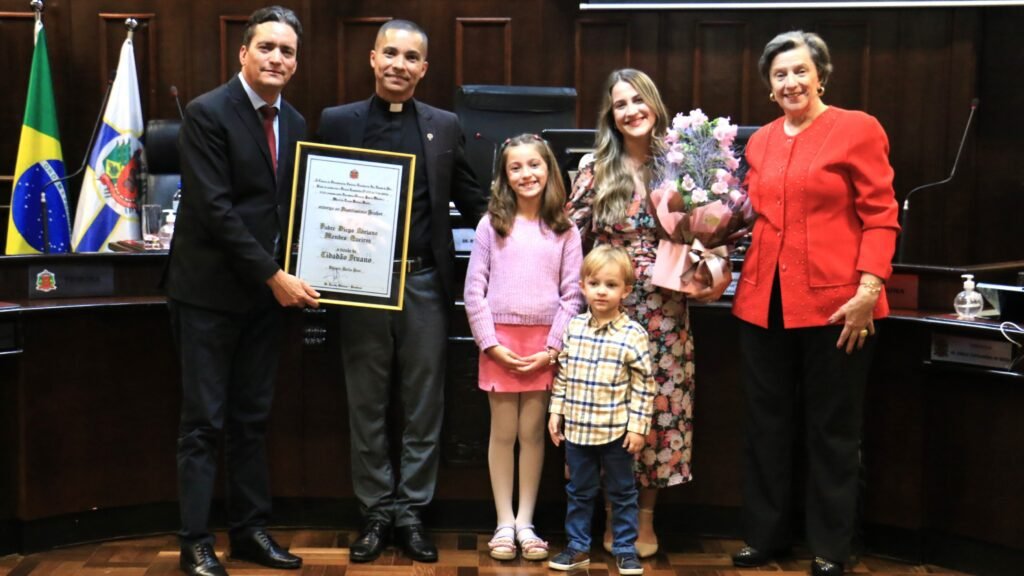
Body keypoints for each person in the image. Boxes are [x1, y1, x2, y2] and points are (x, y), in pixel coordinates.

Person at [316, 19, 487, 564]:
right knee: (366, 402)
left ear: (424, 68)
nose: (399, 64)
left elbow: (471, 198)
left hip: (422, 281)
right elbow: (313, 199)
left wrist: (526, 233)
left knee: (422, 404)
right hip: (359, 283)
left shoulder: (443, 124)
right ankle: (374, 512)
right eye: (390, 53)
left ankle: (410, 512)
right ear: (372, 58)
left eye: (411, 57)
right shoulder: (337, 121)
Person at [729, 31, 900, 576]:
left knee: (833, 430)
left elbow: (881, 214)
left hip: (839, 308)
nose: (790, 82)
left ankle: (832, 547)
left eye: (800, 71)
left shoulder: (857, 128)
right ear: (768, 87)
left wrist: (867, 292)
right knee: (766, 426)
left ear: (821, 74)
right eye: (779, 75)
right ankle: (766, 537)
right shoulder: (758, 143)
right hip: (762, 304)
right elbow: (751, 218)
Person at [164, 6, 318, 576]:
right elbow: (216, 212)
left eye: (288, 51)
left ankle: (250, 531)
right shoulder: (207, 113)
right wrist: (275, 275)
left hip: (262, 299)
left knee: (253, 419)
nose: (278, 58)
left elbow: (292, 210)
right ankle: (195, 542)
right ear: (243, 54)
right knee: (204, 422)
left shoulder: (296, 123)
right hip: (209, 295)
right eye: (268, 48)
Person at [567, 68, 712, 557]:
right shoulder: (595, 167)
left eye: (637, 100)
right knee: (606, 409)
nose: (630, 111)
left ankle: (644, 519)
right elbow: (567, 234)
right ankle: (612, 514)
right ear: (611, 115)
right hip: (610, 308)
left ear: (653, 104)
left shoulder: (682, 166)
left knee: (655, 413)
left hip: (665, 308)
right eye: (620, 104)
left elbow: (704, 231)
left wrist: (703, 258)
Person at [463, 134, 584, 562]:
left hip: (542, 346)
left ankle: (526, 523)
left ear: (549, 170)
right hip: (499, 342)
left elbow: (573, 296)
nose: (526, 174)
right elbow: (474, 291)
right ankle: (503, 522)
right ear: (504, 176)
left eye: (534, 165)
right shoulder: (489, 225)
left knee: (533, 434)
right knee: (503, 432)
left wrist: (552, 349)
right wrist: (490, 344)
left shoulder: (566, 229)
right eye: (516, 167)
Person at [547, 245, 656, 576]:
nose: (602, 291)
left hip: (615, 432)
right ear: (582, 286)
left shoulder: (632, 334)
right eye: (595, 283)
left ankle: (625, 547)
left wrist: (638, 426)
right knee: (579, 492)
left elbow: (644, 384)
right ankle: (578, 547)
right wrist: (556, 412)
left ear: (626, 290)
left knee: (622, 493)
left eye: (611, 285)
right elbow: (563, 374)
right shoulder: (575, 328)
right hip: (579, 431)